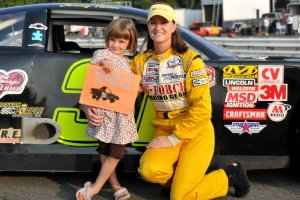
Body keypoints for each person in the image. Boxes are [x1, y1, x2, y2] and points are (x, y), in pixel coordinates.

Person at [85, 3, 251, 200]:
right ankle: (181, 183)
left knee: (180, 197)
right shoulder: (140, 62)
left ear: (174, 26)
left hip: (195, 131)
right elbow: (113, 88)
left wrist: (174, 138)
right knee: (148, 171)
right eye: (153, 22)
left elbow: (203, 110)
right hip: (164, 127)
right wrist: (88, 107)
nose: (158, 27)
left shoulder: (191, 60)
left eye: (163, 22)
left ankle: (228, 176)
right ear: (147, 27)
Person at [76, 18, 138, 200]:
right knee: (109, 150)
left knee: (113, 151)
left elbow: (127, 88)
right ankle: (102, 188)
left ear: (129, 42)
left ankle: (104, 186)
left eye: (122, 41)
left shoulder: (127, 62)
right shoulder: (102, 54)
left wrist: (138, 87)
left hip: (121, 115)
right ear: (107, 38)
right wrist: (102, 63)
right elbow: (95, 70)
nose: (116, 45)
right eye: (113, 40)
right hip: (104, 113)